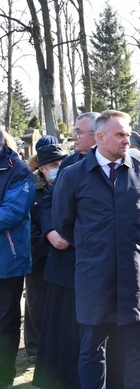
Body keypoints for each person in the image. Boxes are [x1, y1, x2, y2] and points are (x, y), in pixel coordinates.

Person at [53, 110, 140, 389]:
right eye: (120, 135)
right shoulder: (73, 175)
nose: (127, 140)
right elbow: (63, 222)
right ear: (99, 138)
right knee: (91, 348)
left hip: (133, 274)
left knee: (136, 346)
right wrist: (92, 245)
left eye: (128, 134)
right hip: (93, 275)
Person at [33, 112, 108, 389]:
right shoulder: (69, 165)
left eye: (79, 132)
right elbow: (48, 203)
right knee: (65, 326)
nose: (74, 137)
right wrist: (50, 231)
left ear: (97, 134)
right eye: (74, 132)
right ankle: (64, 384)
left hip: (97, 260)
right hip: (66, 261)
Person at [0, 126, 34, 389]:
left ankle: (3, 377)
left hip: (6, 260)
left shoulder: (18, 170)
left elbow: (11, 213)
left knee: (5, 320)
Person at [24, 144, 67, 360]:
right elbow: (27, 221)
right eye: (53, 165)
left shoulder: (66, 184)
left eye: (61, 163)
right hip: (38, 254)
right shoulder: (30, 187)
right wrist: (43, 246)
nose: (58, 168)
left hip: (61, 253)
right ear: (42, 168)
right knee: (37, 302)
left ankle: (57, 344)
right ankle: (35, 347)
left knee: (59, 303)